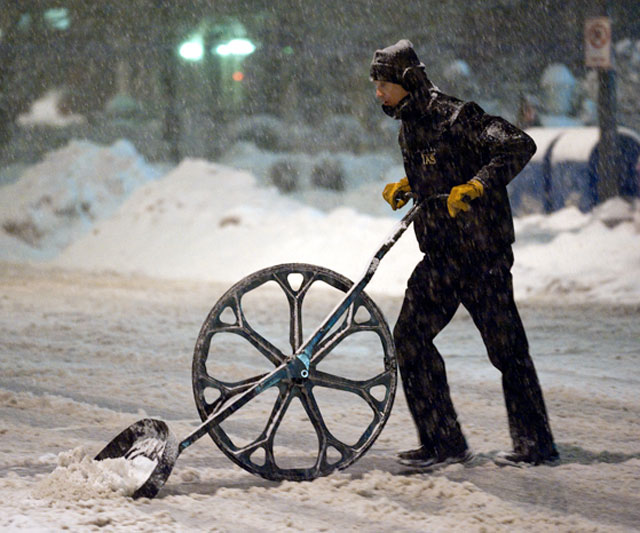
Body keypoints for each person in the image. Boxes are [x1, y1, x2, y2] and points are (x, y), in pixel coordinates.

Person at [370, 39, 558, 468]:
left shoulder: (457, 116)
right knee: (410, 341)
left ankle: (536, 445)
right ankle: (443, 442)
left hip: (482, 255)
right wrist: (411, 185)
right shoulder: (409, 124)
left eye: (383, 84)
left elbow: (517, 144)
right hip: (441, 255)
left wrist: (478, 186)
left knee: (506, 350)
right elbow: (441, 166)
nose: (377, 94)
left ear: (405, 81)